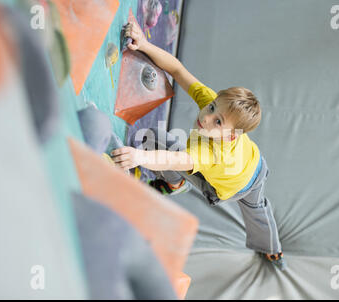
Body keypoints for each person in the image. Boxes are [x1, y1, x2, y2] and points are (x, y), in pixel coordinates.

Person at [112, 21, 286, 270]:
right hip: (254, 161)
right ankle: (175, 184)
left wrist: (137, 157)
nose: (205, 117)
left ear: (229, 136)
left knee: (258, 212)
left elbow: (171, 160)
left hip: (243, 183)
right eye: (212, 107)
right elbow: (179, 71)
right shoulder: (212, 104)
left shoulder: (210, 155)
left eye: (217, 122)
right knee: (154, 139)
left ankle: (272, 251)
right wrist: (146, 45)